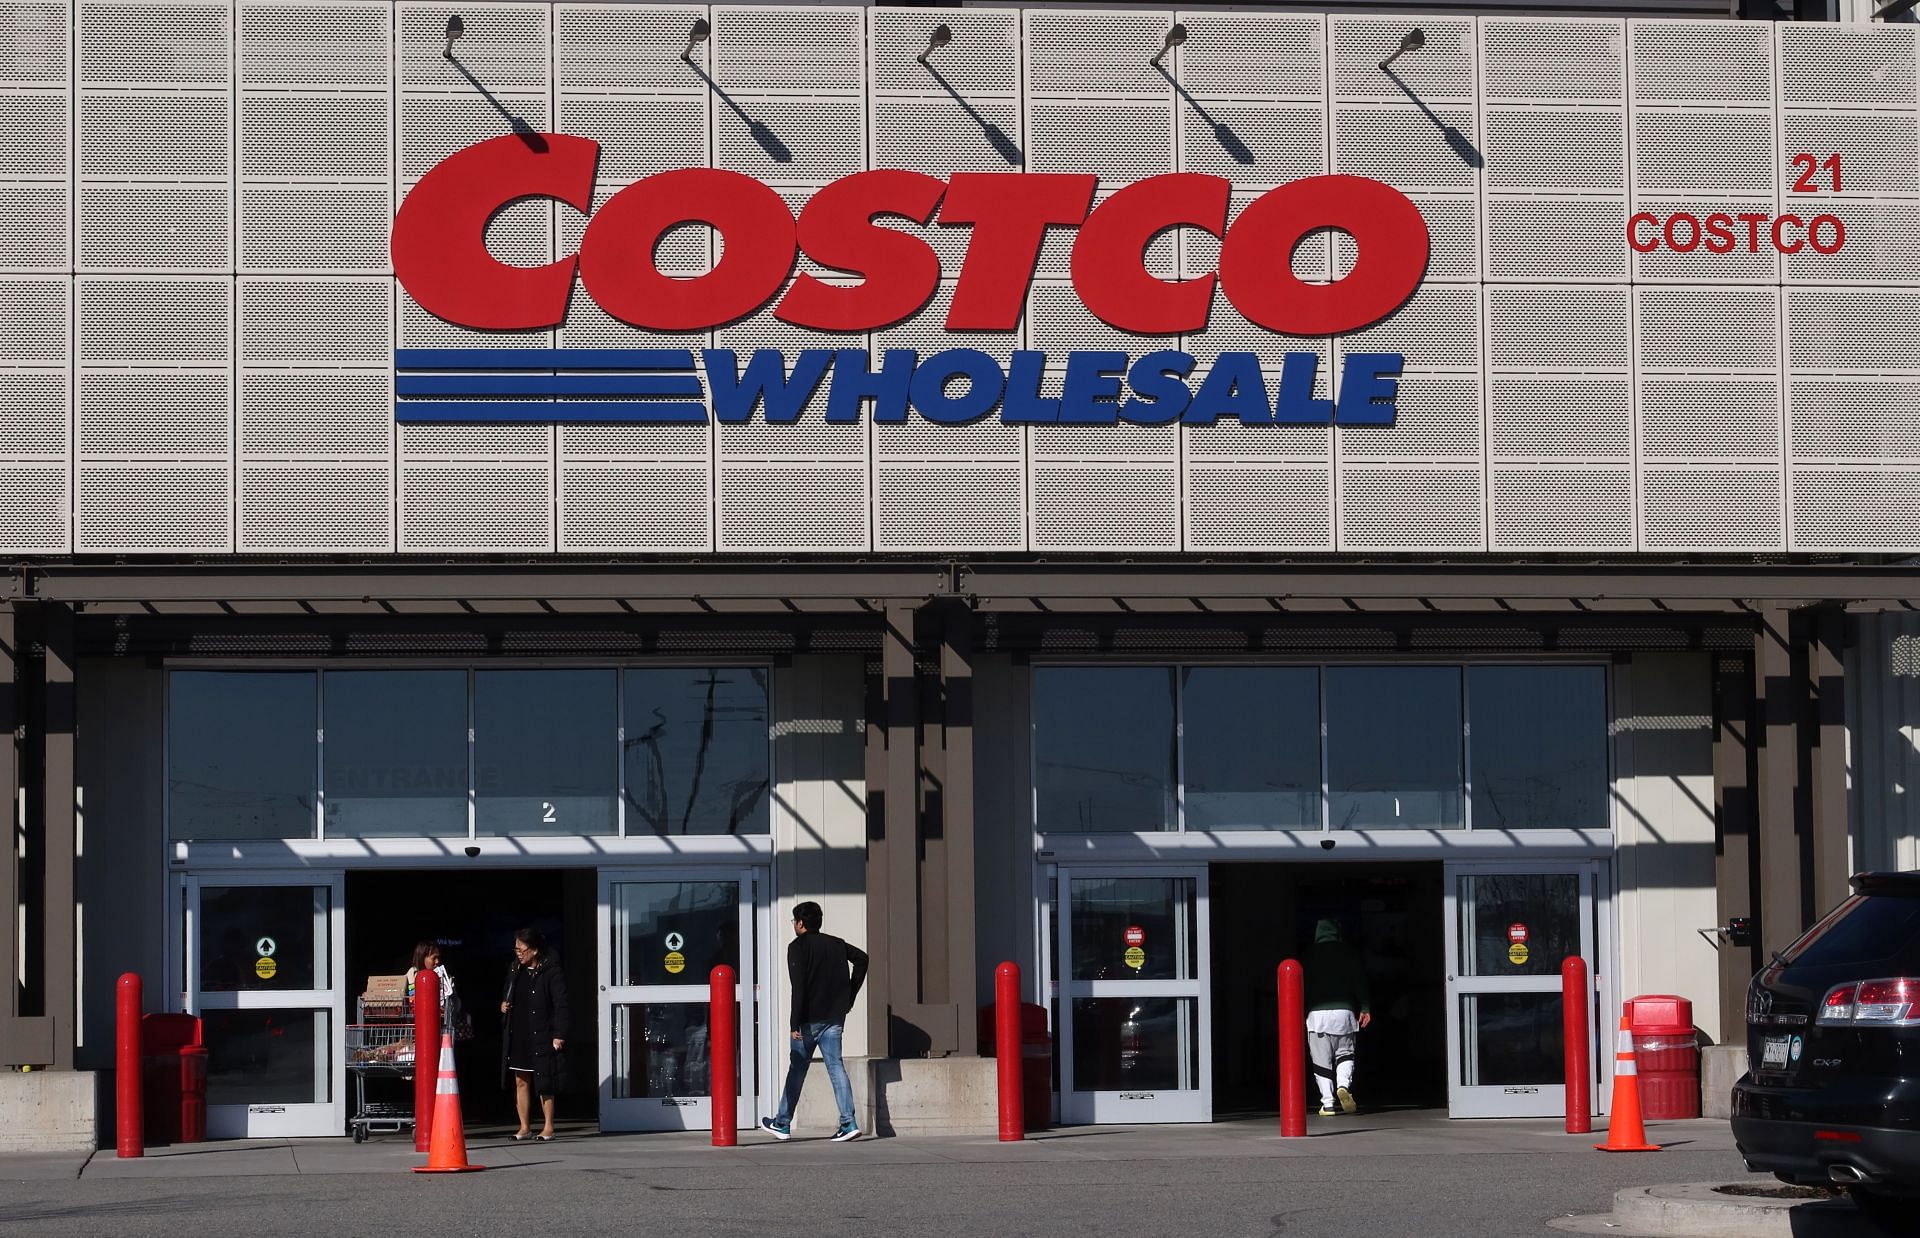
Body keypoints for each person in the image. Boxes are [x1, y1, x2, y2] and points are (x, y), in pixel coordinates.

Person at [760, 901, 868, 1142]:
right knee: (836, 1067)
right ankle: (849, 1122)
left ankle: (782, 1123)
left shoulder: (797, 947)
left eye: (794, 922)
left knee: (797, 1068)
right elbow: (862, 959)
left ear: (800, 923)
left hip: (808, 1020)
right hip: (835, 1017)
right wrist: (850, 995)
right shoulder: (836, 944)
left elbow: (798, 988)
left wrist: (793, 1024)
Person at [499, 927, 569, 1141]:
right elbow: (508, 993)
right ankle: (524, 1127)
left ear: (535, 950)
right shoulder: (514, 969)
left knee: (544, 1080)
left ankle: (548, 1127)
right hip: (519, 1032)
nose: (518, 953)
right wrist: (503, 1005)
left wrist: (559, 1033)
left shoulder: (551, 972)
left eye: (522, 949)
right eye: (516, 949)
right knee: (521, 1079)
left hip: (542, 1033)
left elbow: (561, 1005)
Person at [1303, 917, 1371, 1117]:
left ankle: (1328, 1103)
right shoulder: (1348, 953)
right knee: (1345, 1054)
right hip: (1345, 1013)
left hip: (1317, 1016)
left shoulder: (1308, 956)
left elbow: (1301, 987)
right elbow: (1360, 981)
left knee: (1321, 1061)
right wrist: (1365, 1007)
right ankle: (1344, 1086)